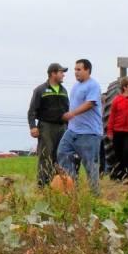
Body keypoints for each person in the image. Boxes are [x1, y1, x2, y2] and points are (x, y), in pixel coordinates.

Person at [56, 59, 103, 194]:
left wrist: (72, 114)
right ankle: (72, 187)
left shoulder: (93, 85)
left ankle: (95, 195)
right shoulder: (76, 85)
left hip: (89, 133)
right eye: (75, 69)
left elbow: (90, 104)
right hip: (72, 130)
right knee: (62, 153)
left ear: (87, 70)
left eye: (79, 69)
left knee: (90, 165)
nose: (76, 72)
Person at [26, 63, 69, 186]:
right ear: (53, 74)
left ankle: (56, 185)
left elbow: (67, 110)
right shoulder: (40, 90)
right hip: (46, 127)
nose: (63, 75)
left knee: (59, 156)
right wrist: (32, 126)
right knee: (46, 155)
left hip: (62, 127)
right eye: (61, 72)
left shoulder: (63, 90)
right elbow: (32, 111)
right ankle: (43, 186)